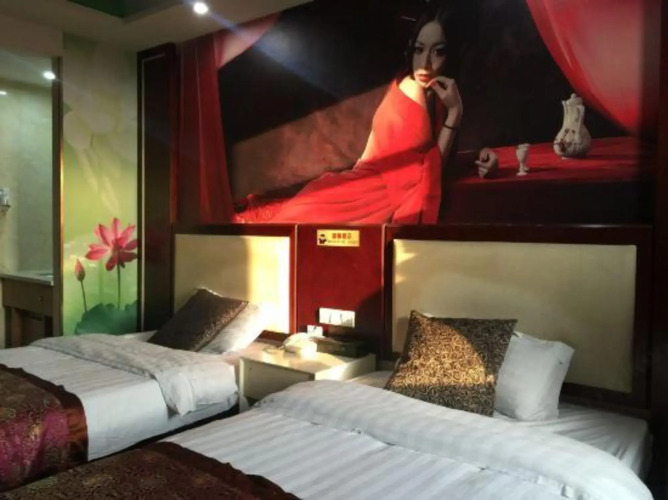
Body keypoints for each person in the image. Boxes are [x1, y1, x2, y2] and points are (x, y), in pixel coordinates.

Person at [269, 5, 496, 224]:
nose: (424, 64)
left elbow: (430, 158)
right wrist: (455, 113)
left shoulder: (431, 92)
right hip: (359, 199)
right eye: (419, 49)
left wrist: (475, 157)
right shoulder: (412, 89)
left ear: (452, 54)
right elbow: (427, 174)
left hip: (363, 192)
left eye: (437, 51)